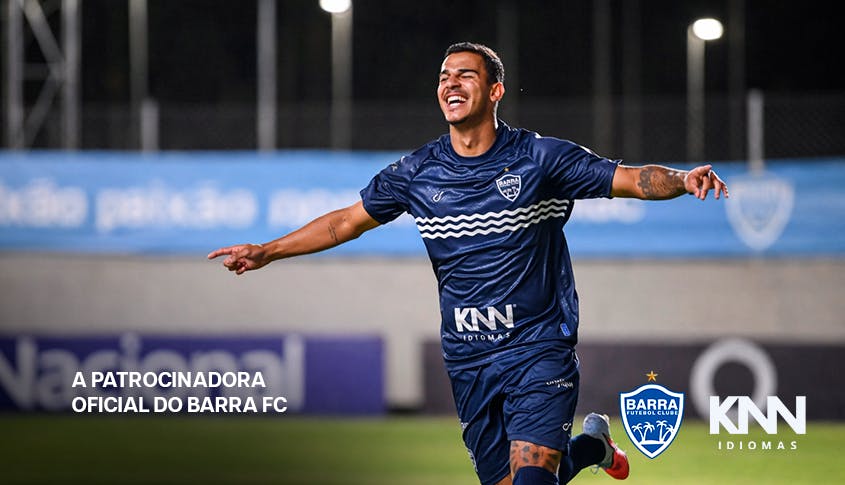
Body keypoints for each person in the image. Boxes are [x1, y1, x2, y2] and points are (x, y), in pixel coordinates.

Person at [208, 42, 728, 485]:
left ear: (496, 91)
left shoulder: (540, 159)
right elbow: (345, 222)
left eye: (465, 75)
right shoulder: (417, 172)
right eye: (443, 77)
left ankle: (582, 446)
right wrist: (267, 250)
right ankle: (591, 447)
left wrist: (683, 180)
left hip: (537, 346)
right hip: (469, 358)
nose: (450, 84)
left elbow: (631, 179)